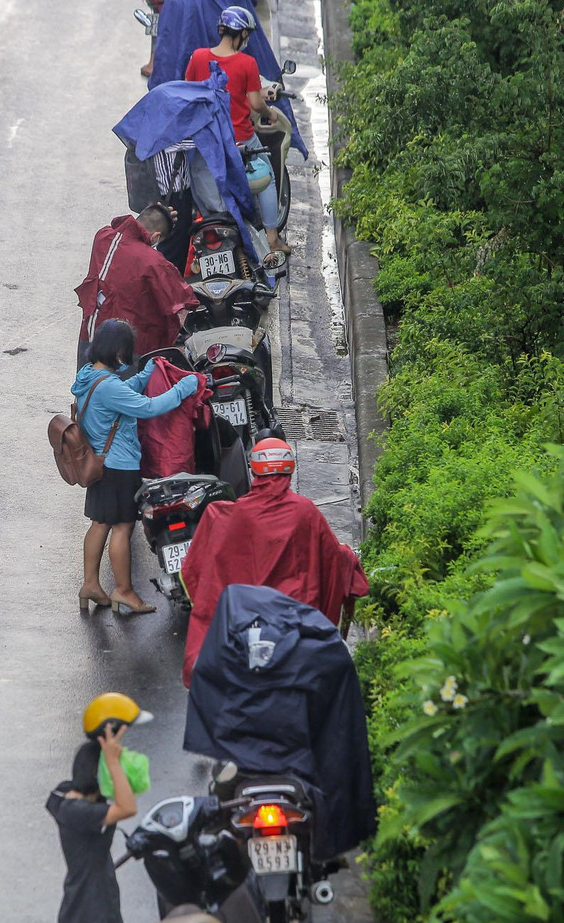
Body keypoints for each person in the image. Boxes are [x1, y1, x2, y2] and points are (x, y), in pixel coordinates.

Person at [180, 438, 369, 686]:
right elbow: (332, 556)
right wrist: (348, 559)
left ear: (253, 471)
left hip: (243, 626)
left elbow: (196, 569)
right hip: (294, 627)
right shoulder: (305, 512)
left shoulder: (230, 516)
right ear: (290, 469)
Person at [72, 320, 204, 614]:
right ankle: (124, 592)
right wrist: (185, 386)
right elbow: (148, 407)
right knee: (122, 527)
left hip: (99, 462)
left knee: (99, 524)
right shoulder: (109, 388)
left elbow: (120, 391)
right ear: (117, 350)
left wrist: (145, 374)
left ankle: (90, 585)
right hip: (119, 467)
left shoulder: (89, 376)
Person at [183, 6, 289, 254]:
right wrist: (270, 113)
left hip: (207, 141)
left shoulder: (198, 57)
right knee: (268, 179)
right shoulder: (247, 63)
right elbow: (254, 103)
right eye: (247, 35)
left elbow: (190, 93)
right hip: (240, 139)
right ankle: (272, 238)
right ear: (241, 34)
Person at [46, 692, 152, 923]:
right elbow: (126, 808)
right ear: (98, 774)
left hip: (98, 907)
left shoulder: (72, 795)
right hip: (89, 916)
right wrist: (112, 763)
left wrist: (110, 748)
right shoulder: (77, 811)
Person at [75, 205, 198, 369]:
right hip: (130, 348)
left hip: (90, 336)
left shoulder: (103, 237)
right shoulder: (154, 262)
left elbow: (118, 225)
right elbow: (182, 299)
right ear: (155, 237)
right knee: (123, 392)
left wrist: (154, 211)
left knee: (88, 389)